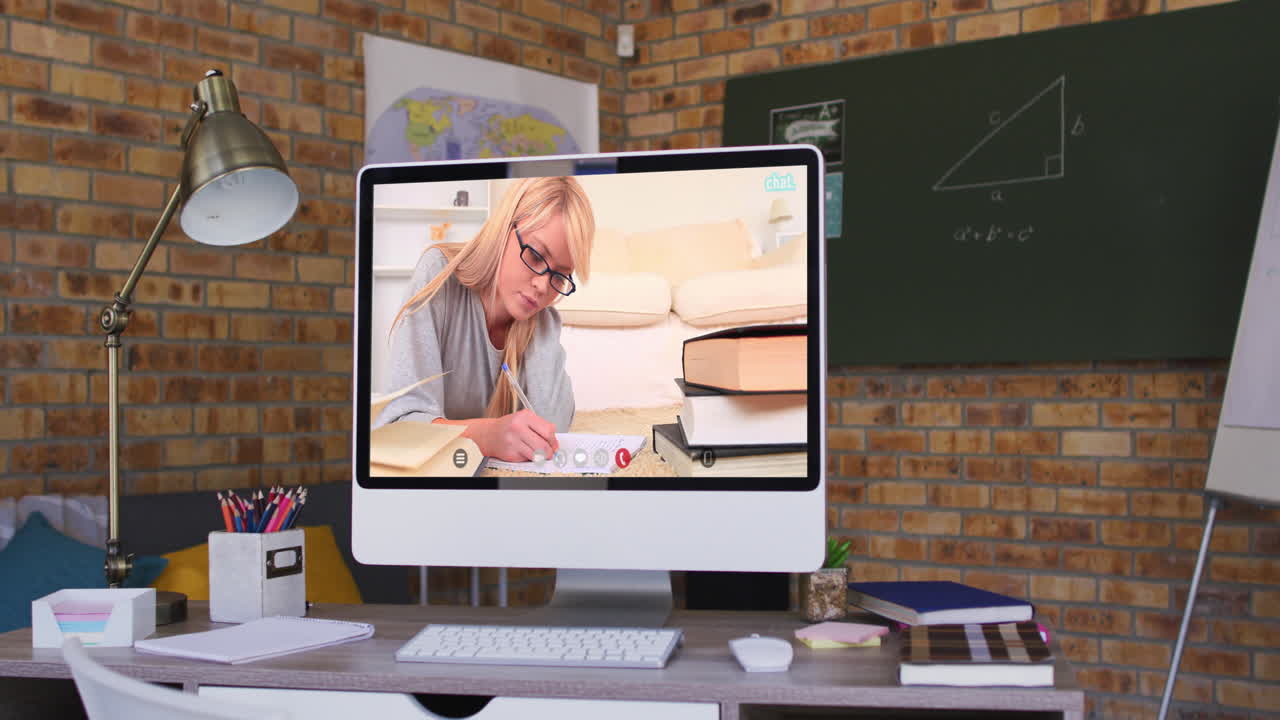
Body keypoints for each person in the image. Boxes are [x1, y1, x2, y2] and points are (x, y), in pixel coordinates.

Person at [375, 177, 594, 463]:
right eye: (536, 256)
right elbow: (402, 427)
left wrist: (543, 323)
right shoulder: (438, 276)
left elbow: (554, 428)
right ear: (503, 229)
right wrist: (488, 436)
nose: (543, 286)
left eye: (559, 275)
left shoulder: (541, 317)